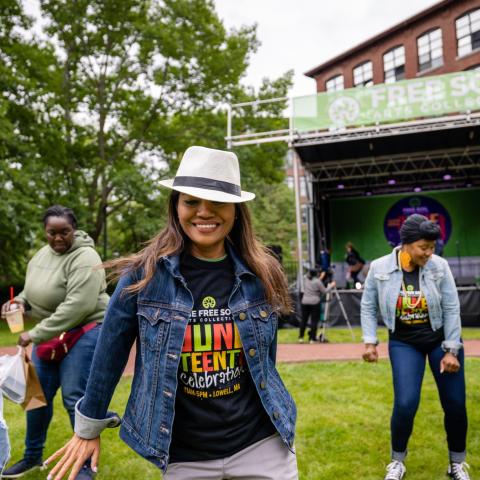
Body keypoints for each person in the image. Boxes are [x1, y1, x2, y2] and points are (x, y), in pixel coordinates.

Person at [45, 146, 298, 480]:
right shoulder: (143, 276)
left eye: (218, 202)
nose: (204, 212)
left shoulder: (262, 272)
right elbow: (110, 351)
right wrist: (88, 426)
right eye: (191, 201)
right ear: (176, 206)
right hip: (183, 455)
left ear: (236, 210)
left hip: (261, 446)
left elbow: (265, 358)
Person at [1, 206, 108, 480]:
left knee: (75, 398)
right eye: (52, 233)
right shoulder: (41, 254)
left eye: (65, 232)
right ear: (45, 232)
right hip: (51, 334)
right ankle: (32, 457)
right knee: (36, 399)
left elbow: (78, 306)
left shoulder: (85, 257)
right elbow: (32, 288)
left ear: (74, 230)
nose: (58, 238)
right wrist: (19, 301)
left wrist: (34, 334)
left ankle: (84, 466)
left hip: (83, 331)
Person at [361, 214, 469, 480]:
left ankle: (457, 463)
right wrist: (370, 341)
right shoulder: (379, 267)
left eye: (432, 247)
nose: (429, 253)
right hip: (404, 343)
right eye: (424, 247)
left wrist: (451, 350)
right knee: (406, 403)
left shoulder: (440, 266)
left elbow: (452, 307)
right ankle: (397, 462)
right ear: (406, 243)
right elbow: (368, 305)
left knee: (455, 404)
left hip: (440, 340)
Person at [298, 268, 335, 344]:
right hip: (314, 302)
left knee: (304, 320)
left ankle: (301, 337)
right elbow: (324, 291)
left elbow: (311, 279)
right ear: (316, 274)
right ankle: (312, 338)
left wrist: (320, 276)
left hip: (305, 302)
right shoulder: (318, 282)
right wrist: (331, 286)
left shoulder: (306, 279)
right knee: (314, 321)